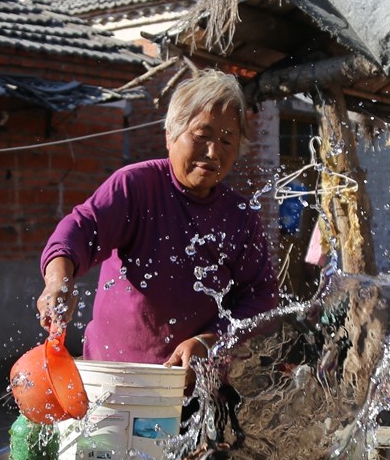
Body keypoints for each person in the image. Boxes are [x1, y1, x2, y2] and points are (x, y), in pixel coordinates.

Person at [37, 69, 278, 379]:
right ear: (170, 135)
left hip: (191, 387)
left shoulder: (240, 216)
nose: (213, 151)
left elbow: (260, 295)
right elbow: (80, 229)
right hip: (112, 379)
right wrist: (57, 282)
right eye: (202, 135)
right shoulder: (135, 187)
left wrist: (211, 340)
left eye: (227, 140)